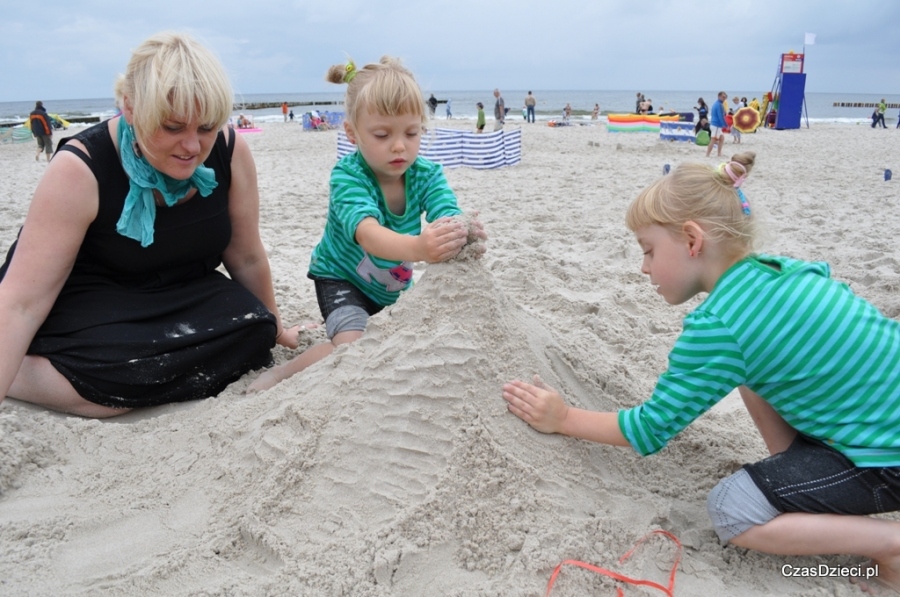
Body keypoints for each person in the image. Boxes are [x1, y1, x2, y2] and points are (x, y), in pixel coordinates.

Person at [502, 152, 900, 592]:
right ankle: (795, 473)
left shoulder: (721, 325)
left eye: (650, 251)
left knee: (731, 509)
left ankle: (890, 546)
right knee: (756, 373)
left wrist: (563, 419)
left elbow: (650, 428)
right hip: (881, 425)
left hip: (886, 463)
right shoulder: (783, 271)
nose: (644, 267)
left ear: (692, 240)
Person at [0, 32, 299, 418]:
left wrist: (276, 328)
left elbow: (246, 256)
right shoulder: (79, 168)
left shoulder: (230, 150)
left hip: (178, 288)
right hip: (88, 297)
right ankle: (23, 374)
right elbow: (21, 303)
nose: (192, 146)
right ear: (130, 107)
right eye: (173, 127)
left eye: (206, 126)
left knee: (254, 331)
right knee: (117, 376)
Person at [246, 56, 486, 393]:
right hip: (342, 278)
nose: (399, 145)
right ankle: (280, 376)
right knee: (351, 346)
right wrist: (419, 248)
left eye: (412, 132)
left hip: (391, 286)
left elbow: (445, 209)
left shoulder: (427, 174)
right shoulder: (349, 176)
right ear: (353, 133)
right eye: (382, 134)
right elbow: (368, 234)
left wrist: (458, 231)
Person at [706, 91, 727, 157]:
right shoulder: (719, 105)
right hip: (716, 125)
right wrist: (725, 125)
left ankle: (719, 153)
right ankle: (707, 154)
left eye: (725, 97)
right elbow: (720, 116)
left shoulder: (716, 104)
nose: (724, 98)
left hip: (715, 124)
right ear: (719, 96)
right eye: (723, 97)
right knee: (713, 140)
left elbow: (713, 114)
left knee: (722, 138)